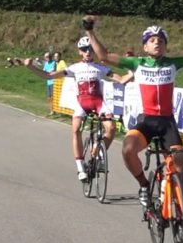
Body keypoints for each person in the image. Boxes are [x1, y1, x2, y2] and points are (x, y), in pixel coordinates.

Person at [84, 14, 183, 208]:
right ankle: (144, 184)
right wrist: (89, 31)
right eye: (152, 40)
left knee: (179, 164)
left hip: (167, 123)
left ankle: (182, 215)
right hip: (147, 121)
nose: (156, 43)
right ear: (145, 47)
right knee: (127, 149)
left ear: (166, 46)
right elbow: (104, 56)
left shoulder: (173, 63)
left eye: (160, 40)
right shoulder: (137, 64)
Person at [23, 36, 131, 181]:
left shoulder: (101, 67)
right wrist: (31, 67)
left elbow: (122, 80)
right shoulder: (74, 68)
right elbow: (48, 75)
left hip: (98, 103)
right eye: (85, 49)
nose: (88, 52)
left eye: (91, 49)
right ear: (80, 51)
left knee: (111, 128)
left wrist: (134, 70)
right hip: (82, 103)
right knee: (75, 129)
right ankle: (80, 167)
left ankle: (98, 152)